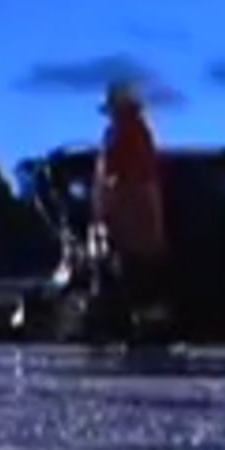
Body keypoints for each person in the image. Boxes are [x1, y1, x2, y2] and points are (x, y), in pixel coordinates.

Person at [93, 80, 169, 336]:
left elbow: (120, 175)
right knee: (135, 268)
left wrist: (109, 208)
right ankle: (141, 322)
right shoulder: (131, 130)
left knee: (136, 269)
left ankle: (143, 325)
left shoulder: (129, 131)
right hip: (134, 211)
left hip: (132, 212)